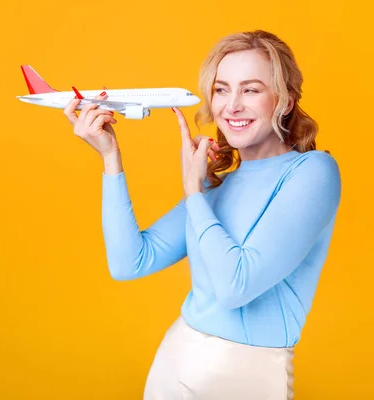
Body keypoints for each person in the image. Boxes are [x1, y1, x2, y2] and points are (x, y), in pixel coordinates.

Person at [63, 30, 341, 400]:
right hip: (175, 364)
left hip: (249, 379)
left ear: (286, 101)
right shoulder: (216, 188)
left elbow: (234, 287)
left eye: (251, 89)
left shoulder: (313, 172)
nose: (232, 105)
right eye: (221, 89)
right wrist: (111, 158)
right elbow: (129, 262)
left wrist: (193, 190)